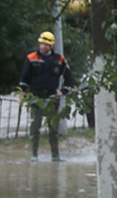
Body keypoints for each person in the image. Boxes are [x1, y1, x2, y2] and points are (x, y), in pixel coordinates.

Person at [18, 30, 76, 161]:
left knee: (53, 129)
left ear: (51, 46)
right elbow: (24, 78)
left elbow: (69, 78)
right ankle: (34, 155)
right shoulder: (31, 58)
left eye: (46, 44)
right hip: (36, 98)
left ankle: (55, 155)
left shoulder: (59, 59)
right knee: (34, 128)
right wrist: (22, 94)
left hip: (52, 98)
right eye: (42, 44)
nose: (43, 46)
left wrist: (63, 91)